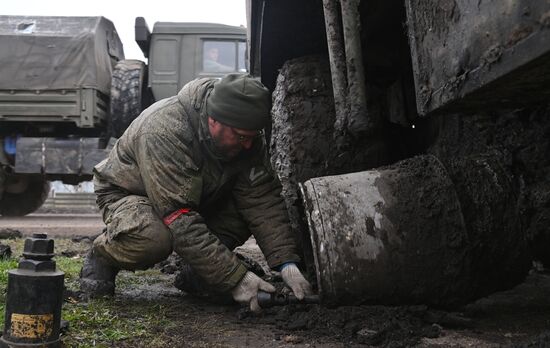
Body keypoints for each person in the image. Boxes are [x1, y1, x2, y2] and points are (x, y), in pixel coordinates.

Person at [80, 73, 313, 312]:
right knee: (154, 238)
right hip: (131, 193)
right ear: (214, 120)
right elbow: (179, 217)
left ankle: (199, 274)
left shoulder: (247, 137)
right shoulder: (164, 129)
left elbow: (261, 199)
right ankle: (103, 255)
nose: (247, 145)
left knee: (245, 211)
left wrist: (287, 263)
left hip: (197, 196)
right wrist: (236, 278)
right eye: (241, 137)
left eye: (252, 138)